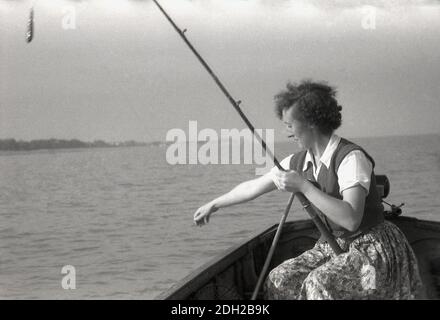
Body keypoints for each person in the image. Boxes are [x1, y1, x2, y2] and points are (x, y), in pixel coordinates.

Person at [193, 80, 422, 299]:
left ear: (311, 122)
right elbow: (253, 186)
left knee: (318, 283)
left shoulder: (350, 158)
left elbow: (351, 219)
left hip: (373, 249)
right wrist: (214, 204)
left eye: (289, 125)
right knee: (280, 278)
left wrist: (303, 186)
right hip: (333, 245)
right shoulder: (299, 161)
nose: (286, 133)